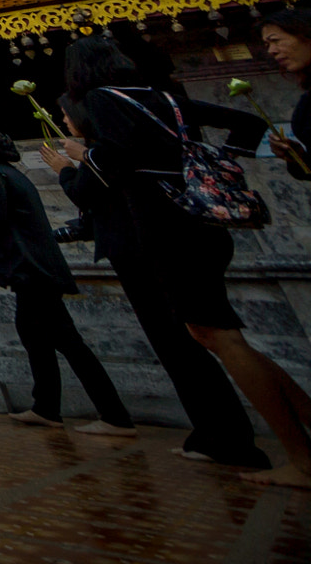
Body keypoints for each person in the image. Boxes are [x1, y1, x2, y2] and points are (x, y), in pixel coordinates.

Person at [59, 39, 311, 487]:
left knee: (220, 337)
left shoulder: (101, 100)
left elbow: (112, 163)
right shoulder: (165, 97)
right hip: (203, 220)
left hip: (167, 228)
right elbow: (248, 123)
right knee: (216, 336)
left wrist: (80, 160)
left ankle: (302, 459)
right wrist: (212, 168)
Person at [0, 124, 133, 437]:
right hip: (34, 270)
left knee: (69, 343)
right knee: (34, 336)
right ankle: (46, 407)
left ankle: (115, 416)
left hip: (31, 272)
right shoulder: (11, 173)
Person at [260, 8, 311, 180]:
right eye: (267, 45)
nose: (271, 51)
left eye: (275, 41)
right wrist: (296, 156)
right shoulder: (307, 101)